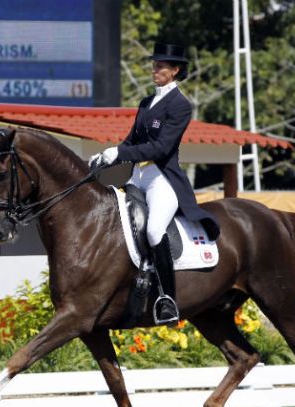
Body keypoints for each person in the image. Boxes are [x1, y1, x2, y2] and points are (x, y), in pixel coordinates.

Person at [88, 42, 220, 325]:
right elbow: (133, 141)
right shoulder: (146, 103)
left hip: (163, 179)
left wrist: (121, 153)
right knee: (118, 224)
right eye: (155, 64)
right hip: (137, 176)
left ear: (175, 71)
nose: (155, 69)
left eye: (161, 66)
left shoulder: (181, 106)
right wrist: (108, 154)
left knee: (153, 230)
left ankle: (167, 299)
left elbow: (161, 148)